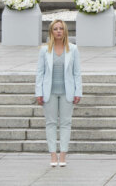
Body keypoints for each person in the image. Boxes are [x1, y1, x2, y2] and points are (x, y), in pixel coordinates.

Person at [35, 19, 82, 166]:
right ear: (51, 32)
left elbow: (77, 73)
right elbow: (40, 73)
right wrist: (39, 92)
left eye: (61, 28)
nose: (58, 31)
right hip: (49, 92)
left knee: (66, 123)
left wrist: (78, 91)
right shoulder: (44, 50)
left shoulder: (73, 49)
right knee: (50, 123)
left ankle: (63, 155)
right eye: (55, 29)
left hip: (67, 92)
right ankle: (52, 155)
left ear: (65, 31)